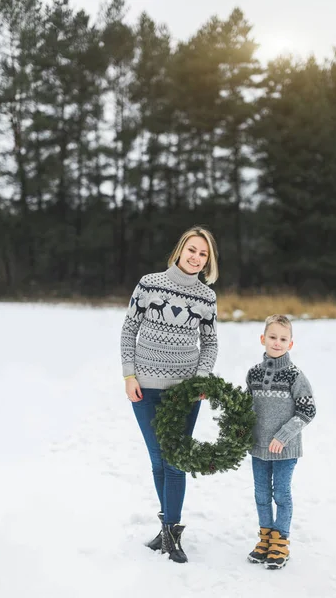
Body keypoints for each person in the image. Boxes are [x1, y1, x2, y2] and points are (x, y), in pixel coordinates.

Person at [120, 226, 219, 563]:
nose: (196, 257)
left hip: (183, 394)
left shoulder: (206, 298)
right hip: (144, 388)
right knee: (158, 461)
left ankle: (172, 531)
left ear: (208, 261)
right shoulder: (149, 284)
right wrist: (129, 374)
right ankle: (165, 529)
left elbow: (210, 342)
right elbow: (129, 329)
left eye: (203, 254)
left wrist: (201, 378)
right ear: (180, 251)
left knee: (175, 462)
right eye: (192, 250)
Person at [245, 314, 316, 569]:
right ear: (263, 339)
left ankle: (281, 540)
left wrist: (283, 436)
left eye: (283, 339)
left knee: (281, 494)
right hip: (258, 448)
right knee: (261, 494)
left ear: (290, 344)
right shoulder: (253, 373)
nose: (277, 342)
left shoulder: (295, 376)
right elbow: (245, 408)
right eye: (272, 337)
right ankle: (265, 537)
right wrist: (240, 432)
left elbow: (307, 411)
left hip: (285, 449)